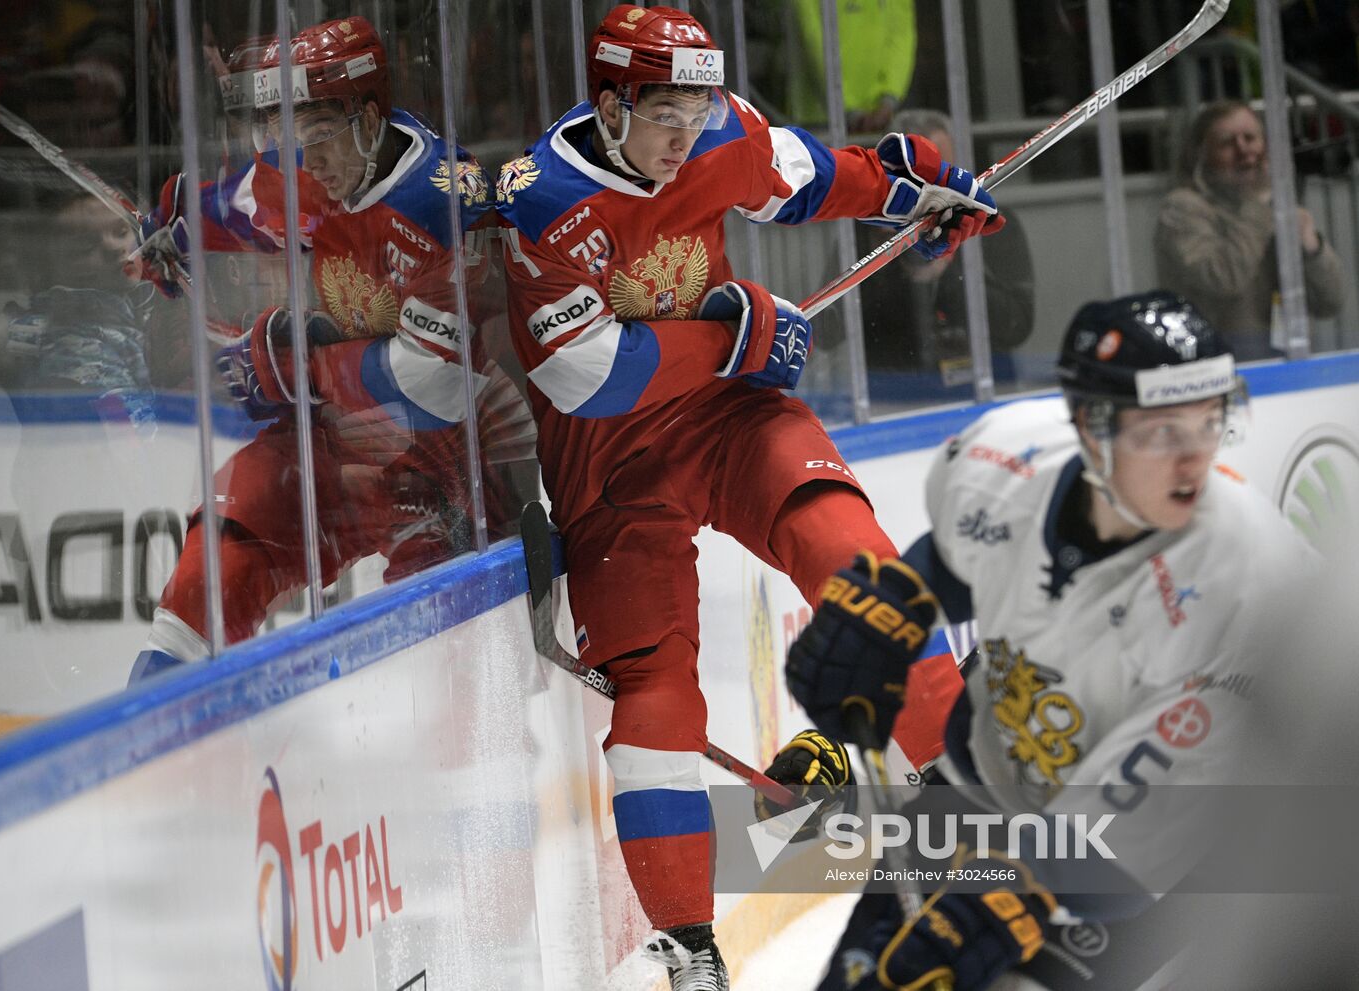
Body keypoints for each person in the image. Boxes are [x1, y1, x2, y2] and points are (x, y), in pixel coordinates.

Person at [494, 5, 1004, 987]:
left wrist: (915, 185)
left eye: (694, 107)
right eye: (660, 114)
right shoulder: (540, 198)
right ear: (607, 105)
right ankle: (690, 952)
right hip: (610, 473)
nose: (683, 136)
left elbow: (810, 179)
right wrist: (726, 335)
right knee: (655, 701)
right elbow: (580, 374)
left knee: (862, 570)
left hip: (730, 421)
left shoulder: (717, 130)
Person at [782, 289, 1315, 989]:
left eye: (1208, 422)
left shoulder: (1247, 588)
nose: (1192, 460)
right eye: (1161, 431)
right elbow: (959, 566)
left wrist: (1014, 889)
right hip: (992, 789)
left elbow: (1129, 833)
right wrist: (892, 608)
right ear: (1092, 426)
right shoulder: (1008, 462)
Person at [123, 16, 504, 679]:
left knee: (450, 674)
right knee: (213, 562)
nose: (304, 156)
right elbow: (222, 204)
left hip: (442, 470)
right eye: (287, 134)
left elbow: (438, 385)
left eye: (319, 132)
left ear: (370, 117)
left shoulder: (443, 200)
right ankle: (159, 758)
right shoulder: (306, 171)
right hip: (335, 447)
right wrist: (170, 227)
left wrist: (290, 356)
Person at [858, 108, 1034, 397]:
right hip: (895, 399)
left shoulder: (993, 222)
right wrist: (889, 260)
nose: (939, 188)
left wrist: (951, 276)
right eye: (923, 178)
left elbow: (1019, 324)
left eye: (947, 172)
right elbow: (835, 333)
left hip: (987, 390)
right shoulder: (868, 229)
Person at [1155, 100, 1344, 361]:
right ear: (1201, 154)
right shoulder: (1183, 208)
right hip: (1216, 360)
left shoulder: (1274, 204)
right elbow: (1222, 279)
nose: (1243, 150)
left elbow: (1330, 302)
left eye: (1250, 138)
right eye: (1227, 143)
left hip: (1289, 355)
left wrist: (1312, 248)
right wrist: (1257, 207)